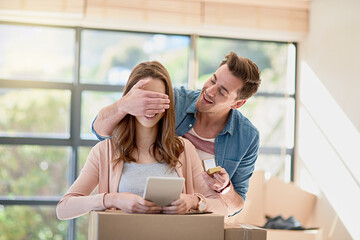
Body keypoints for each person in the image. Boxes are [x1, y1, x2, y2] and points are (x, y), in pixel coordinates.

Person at [92, 51, 261, 216]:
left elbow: (234, 207)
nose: (210, 91)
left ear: (238, 104)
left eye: (222, 92)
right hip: (154, 214)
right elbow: (101, 131)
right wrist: (123, 105)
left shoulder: (247, 137)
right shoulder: (173, 101)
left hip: (203, 221)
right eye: (212, 80)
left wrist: (225, 189)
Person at [56, 61, 227, 220]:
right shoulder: (104, 151)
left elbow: (222, 207)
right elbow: (63, 208)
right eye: (144, 97)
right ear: (129, 99)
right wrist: (113, 200)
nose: (150, 106)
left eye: (157, 98)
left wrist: (193, 201)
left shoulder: (184, 149)